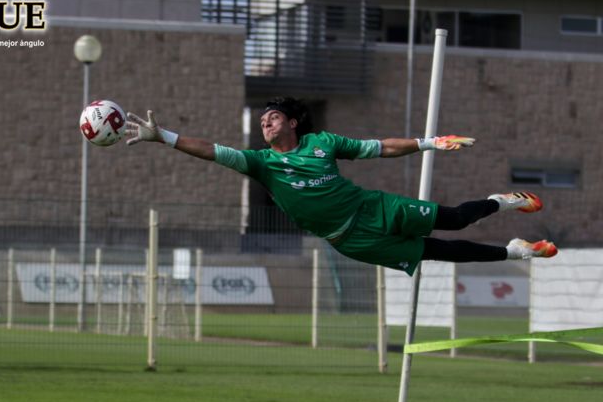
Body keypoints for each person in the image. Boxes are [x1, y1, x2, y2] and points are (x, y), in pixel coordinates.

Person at [124, 96, 557, 276]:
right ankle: (516, 251)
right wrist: (163, 137)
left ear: (292, 123)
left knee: (455, 220)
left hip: (371, 208)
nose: (265, 122)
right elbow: (212, 150)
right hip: (349, 240)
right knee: (435, 252)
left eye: (272, 117)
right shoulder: (261, 163)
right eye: (262, 120)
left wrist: (430, 142)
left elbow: (382, 148)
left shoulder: (323, 143)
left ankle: (501, 203)